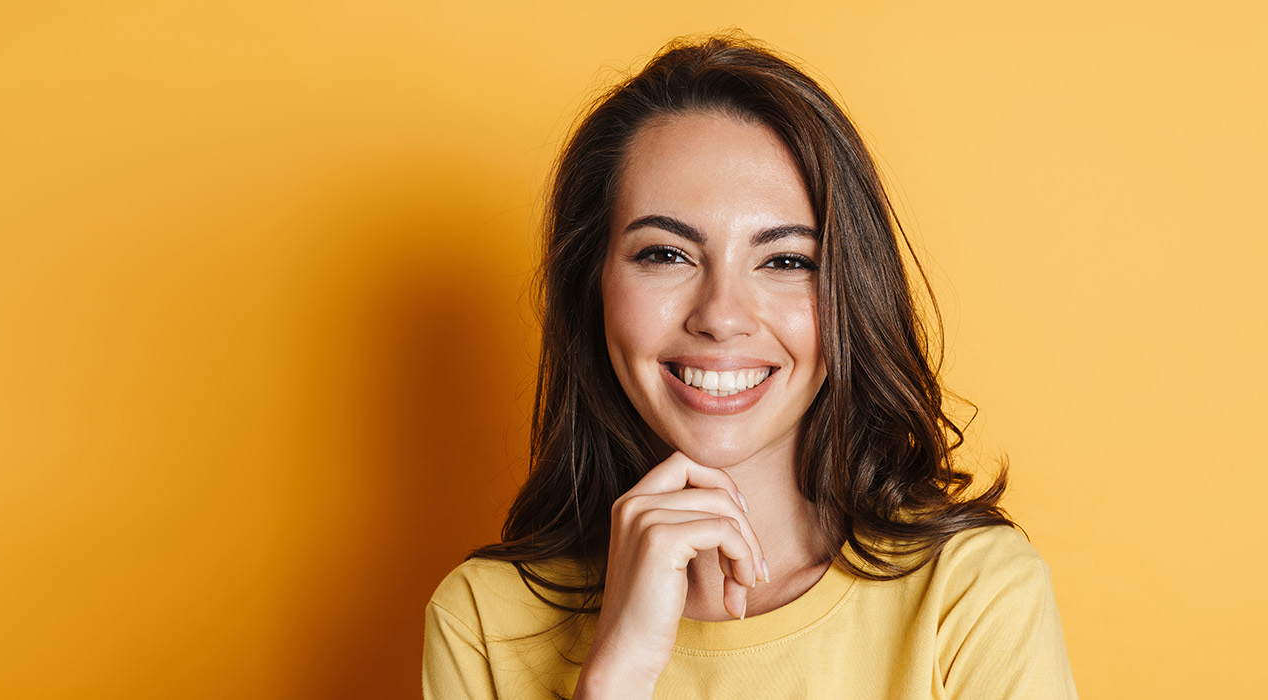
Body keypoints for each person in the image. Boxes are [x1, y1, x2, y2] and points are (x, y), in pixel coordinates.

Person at [423, 34, 1077, 699]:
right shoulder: (483, 621)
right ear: (591, 285)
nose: (722, 315)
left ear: (849, 293)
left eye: (787, 260)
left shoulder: (968, 595)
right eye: (666, 254)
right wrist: (614, 678)